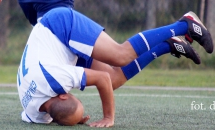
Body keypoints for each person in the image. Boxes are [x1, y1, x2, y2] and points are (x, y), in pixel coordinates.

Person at [17, 8, 213, 127]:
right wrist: (71, 118)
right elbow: (52, 112)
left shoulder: (56, 79)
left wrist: (108, 117)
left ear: (63, 95)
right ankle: (167, 44)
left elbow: (102, 79)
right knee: (115, 80)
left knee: (121, 56)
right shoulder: (34, 113)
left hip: (59, 26)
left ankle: (185, 25)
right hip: (57, 54)